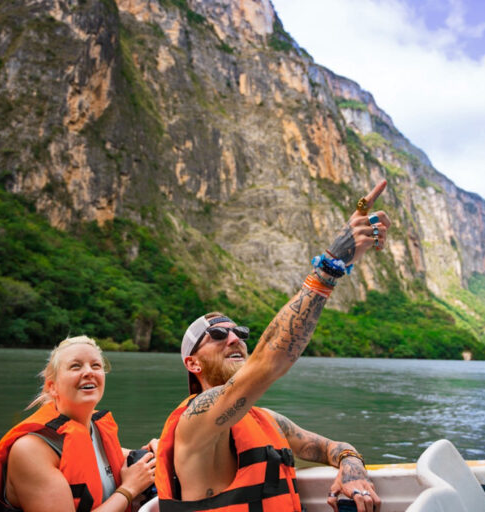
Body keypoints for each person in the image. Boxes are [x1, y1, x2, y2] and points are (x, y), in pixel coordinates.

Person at [155, 181, 390, 512]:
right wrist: (331, 265)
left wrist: (352, 470)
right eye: (218, 336)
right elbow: (269, 361)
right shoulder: (196, 420)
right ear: (193, 364)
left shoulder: (268, 421)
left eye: (239, 332)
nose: (235, 338)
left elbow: (331, 448)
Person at [0, 336, 157, 512]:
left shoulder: (95, 431)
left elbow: (105, 457)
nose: (89, 372)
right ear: (52, 386)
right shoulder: (31, 450)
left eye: (96, 365)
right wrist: (128, 490)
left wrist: (158, 451)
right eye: (76, 366)